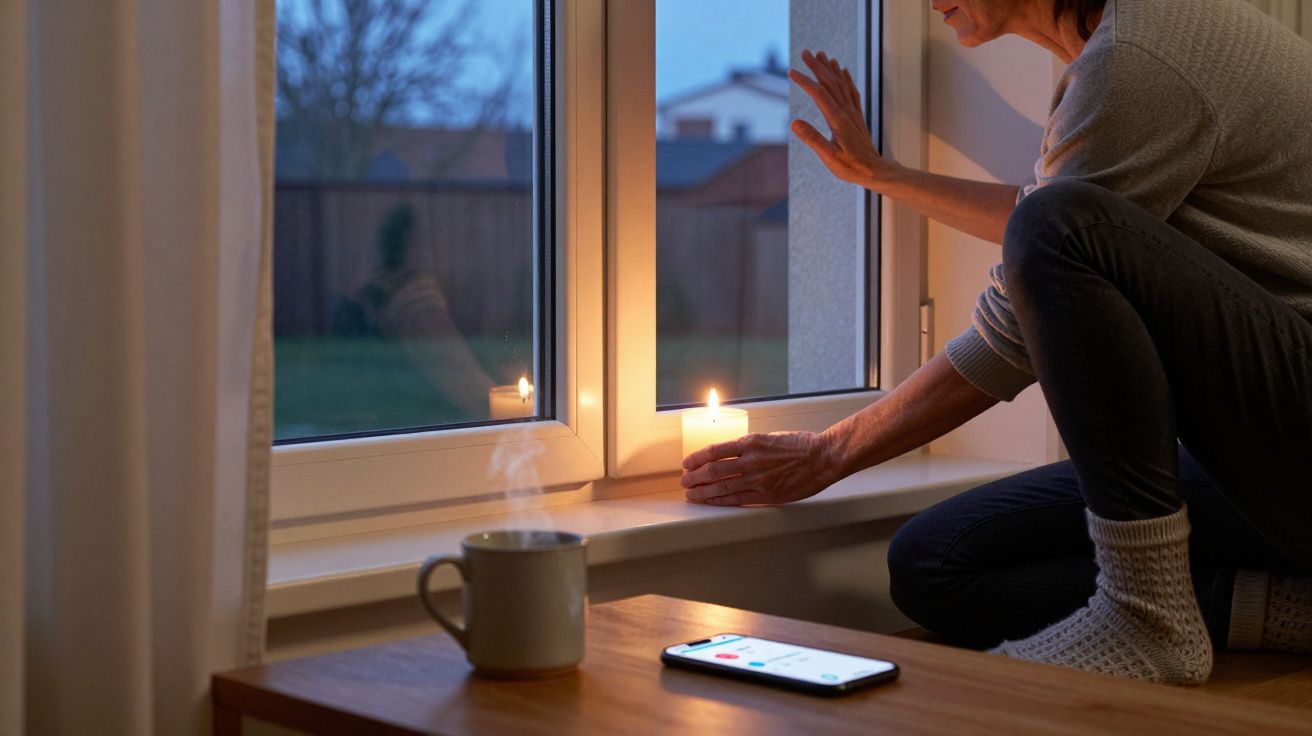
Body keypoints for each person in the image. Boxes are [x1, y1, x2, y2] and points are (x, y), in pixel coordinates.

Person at [680, 0, 1312, 684]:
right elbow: (1054, 212)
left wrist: (830, 451)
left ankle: (1147, 616)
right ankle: (1285, 610)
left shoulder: (1139, 58)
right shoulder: (1135, 41)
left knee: (1057, 229)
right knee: (935, 563)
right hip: (1268, 449)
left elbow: (1035, 277)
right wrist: (879, 174)